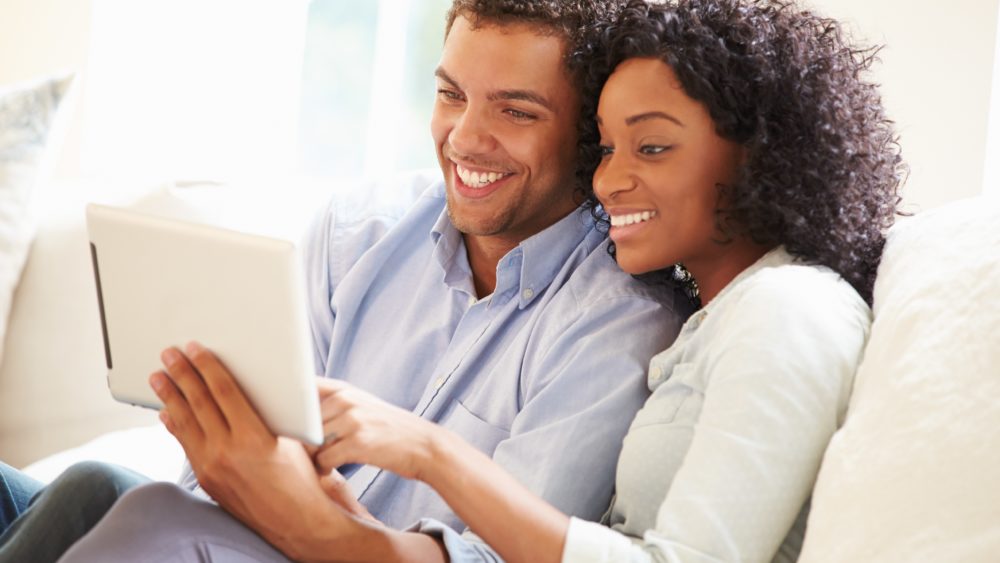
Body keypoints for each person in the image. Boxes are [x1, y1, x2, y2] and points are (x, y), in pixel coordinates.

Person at [65, 0, 905, 561]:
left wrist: (424, 457)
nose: (612, 179)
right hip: (251, 534)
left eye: (650, 147)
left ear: (761, 154)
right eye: (611, 147)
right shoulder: (717, 321)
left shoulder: (773, 311)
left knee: (140, 512)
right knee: (89, 487)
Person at [0, 1, 691, 562]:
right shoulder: (359, 230)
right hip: (233, 533)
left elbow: (502, 556)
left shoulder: (619, 322)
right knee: (61, 490)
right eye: (450, 95)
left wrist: (313, 514)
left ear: (590, 135)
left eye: (516, 111)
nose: (463, 137)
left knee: (108, 494)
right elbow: (238, 472)